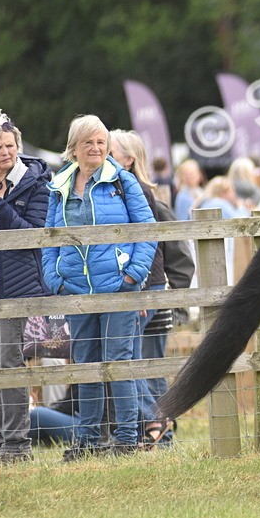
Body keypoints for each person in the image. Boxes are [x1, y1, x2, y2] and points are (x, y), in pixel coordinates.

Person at [43, 115, 156, 460]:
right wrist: (54, 278)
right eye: (88, 142)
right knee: (85, 363)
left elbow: (147, 229)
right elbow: (49, 237)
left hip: (118, 287)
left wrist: (133, 275)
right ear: (74, 148)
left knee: (118, 362)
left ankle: (126, 438)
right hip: (76, 289)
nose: (95, 148)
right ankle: (88, 440)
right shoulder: (59, 186)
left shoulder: (122, 181)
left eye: (101, 143)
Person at [0, 111, 50, 465]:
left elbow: (31, 235)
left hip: (10, 283)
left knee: (8, 361)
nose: (6, 152)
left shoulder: (33, 183)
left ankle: (16, 446)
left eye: (10, 145)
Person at [110, 130, 195, 447]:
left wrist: (163, 296)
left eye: (111, 150)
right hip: (145, 289)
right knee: (141, 364)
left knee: (141, 365)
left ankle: (161, 425)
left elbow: (170, 254)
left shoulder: (145, 197)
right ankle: (159, 430)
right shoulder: (123, 194)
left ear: (128, 160)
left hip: (151, 290)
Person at [173, 158, 205, 223]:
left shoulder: (200, 191)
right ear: (182, 177)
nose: (191, 177)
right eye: (188, 174)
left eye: (193, 173)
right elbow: (183, 221)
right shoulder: (183, 196)